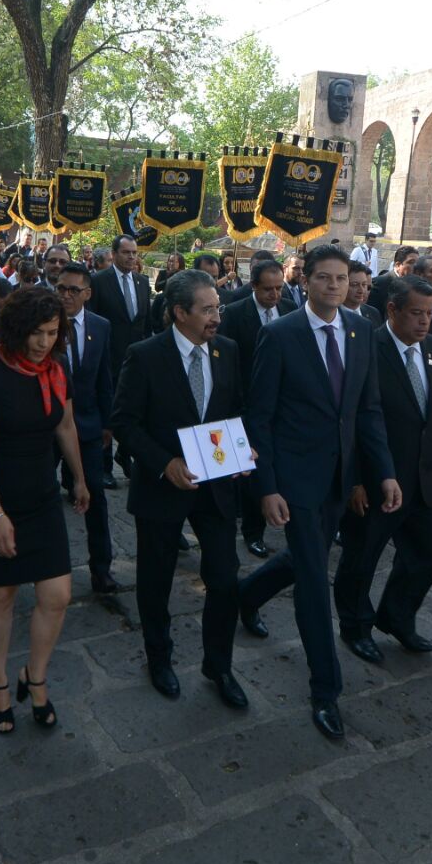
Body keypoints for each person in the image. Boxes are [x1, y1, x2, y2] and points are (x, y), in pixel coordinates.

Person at [237, 245, 399, 739]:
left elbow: (367, 410)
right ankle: (325, 689)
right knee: (312, 581)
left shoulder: (361, 332)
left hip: (341, 477)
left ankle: (245, 595)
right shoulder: (280, 335)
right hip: (295, 479)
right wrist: (267, 488)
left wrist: (384, 473)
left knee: (305, 559)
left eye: (342, 279)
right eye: (324, 278)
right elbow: (258, 419)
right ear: (304, 281)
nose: (335, 286)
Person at [111, 270, 250, 708]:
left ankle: (219, 664)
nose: (216, 317)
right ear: (179, 313)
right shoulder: (145, 355)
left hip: (216, 488)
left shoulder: (226, 351)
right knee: (156, 581)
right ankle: (159, 656)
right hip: (163, 490)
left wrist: (243, 452)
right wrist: (163, 463)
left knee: (225, 579)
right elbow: (124, 423)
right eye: (207, 309)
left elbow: (235, 410)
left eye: (218, 308)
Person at [0, 287, 89, 733]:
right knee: (1, 595)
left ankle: (34, 675)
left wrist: (79, 477)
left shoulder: (56, 370)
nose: (44, 342)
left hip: (42, 497)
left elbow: (67, 424)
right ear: (17, 330)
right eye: (36, 333)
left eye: (53, 333)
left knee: (57, 596)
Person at [334, 274, 432, 658]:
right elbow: (351, 420)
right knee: (362, 558)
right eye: (415, 313)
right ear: (392, 310)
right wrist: (354, 481)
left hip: (425, 479)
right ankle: (354, 626)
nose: (423, 322)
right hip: (375, 480)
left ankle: (398, 616)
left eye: (429, 314)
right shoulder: (366, 348)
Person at [217, 258, 295, 559]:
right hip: (247, 403)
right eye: (268, 290)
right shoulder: (236, 313)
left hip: (283, 405)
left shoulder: (290, 309)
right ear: (254, 286)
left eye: (279, 288)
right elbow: (229, 362)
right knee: (253, 469)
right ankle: (253, 532)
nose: (274, 295)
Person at [54, 263, 119, 593]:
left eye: (73, 290)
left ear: (87, 294)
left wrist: (107, 422)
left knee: (95, 496)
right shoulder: (42, 323)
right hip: (48, 425)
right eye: (61, 288)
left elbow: (104, 377)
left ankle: (101, 568)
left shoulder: (101, 326)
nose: (65, 295)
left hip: (89, 425)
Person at [88, 234, 152, 484]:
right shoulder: (99, 281)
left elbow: (144, 323)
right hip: (108, 358)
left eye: (134, 253)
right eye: (126, 253)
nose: (131, 257)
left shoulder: (142, 282)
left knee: (137, 411)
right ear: (114, 254)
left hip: (137, 359)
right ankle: (104, 467)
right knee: (109, 412)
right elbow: (93, 321)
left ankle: (125, 454)